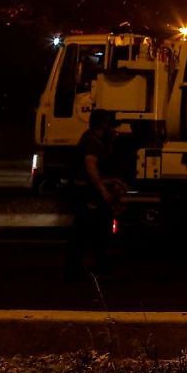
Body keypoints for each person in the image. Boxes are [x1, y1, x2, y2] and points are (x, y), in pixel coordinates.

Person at [65, 108, 125, 278]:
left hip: (88, 193)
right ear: (102, 124)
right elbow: (91, 167)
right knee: (90, 229)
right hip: (87, 194)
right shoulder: (91, 143)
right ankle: (82, 267)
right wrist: (103, 190)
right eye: (108, 123)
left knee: (91, 230)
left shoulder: (95, 140)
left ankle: (86, 265)